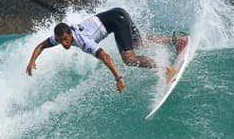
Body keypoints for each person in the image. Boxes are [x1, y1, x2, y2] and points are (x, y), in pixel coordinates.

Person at [25, 7, 187, 93]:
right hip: (118, 12)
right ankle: (178, 41)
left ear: (70, 33)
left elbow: (105, 56)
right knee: (137, 42)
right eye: (61, 42)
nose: (64, 44)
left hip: (116, 21)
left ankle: (168, 69)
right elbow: (41, 45)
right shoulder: (62, 34)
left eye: (66, 40)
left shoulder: (83, 41)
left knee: (129, 59)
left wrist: (118, 78)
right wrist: (32, 60)